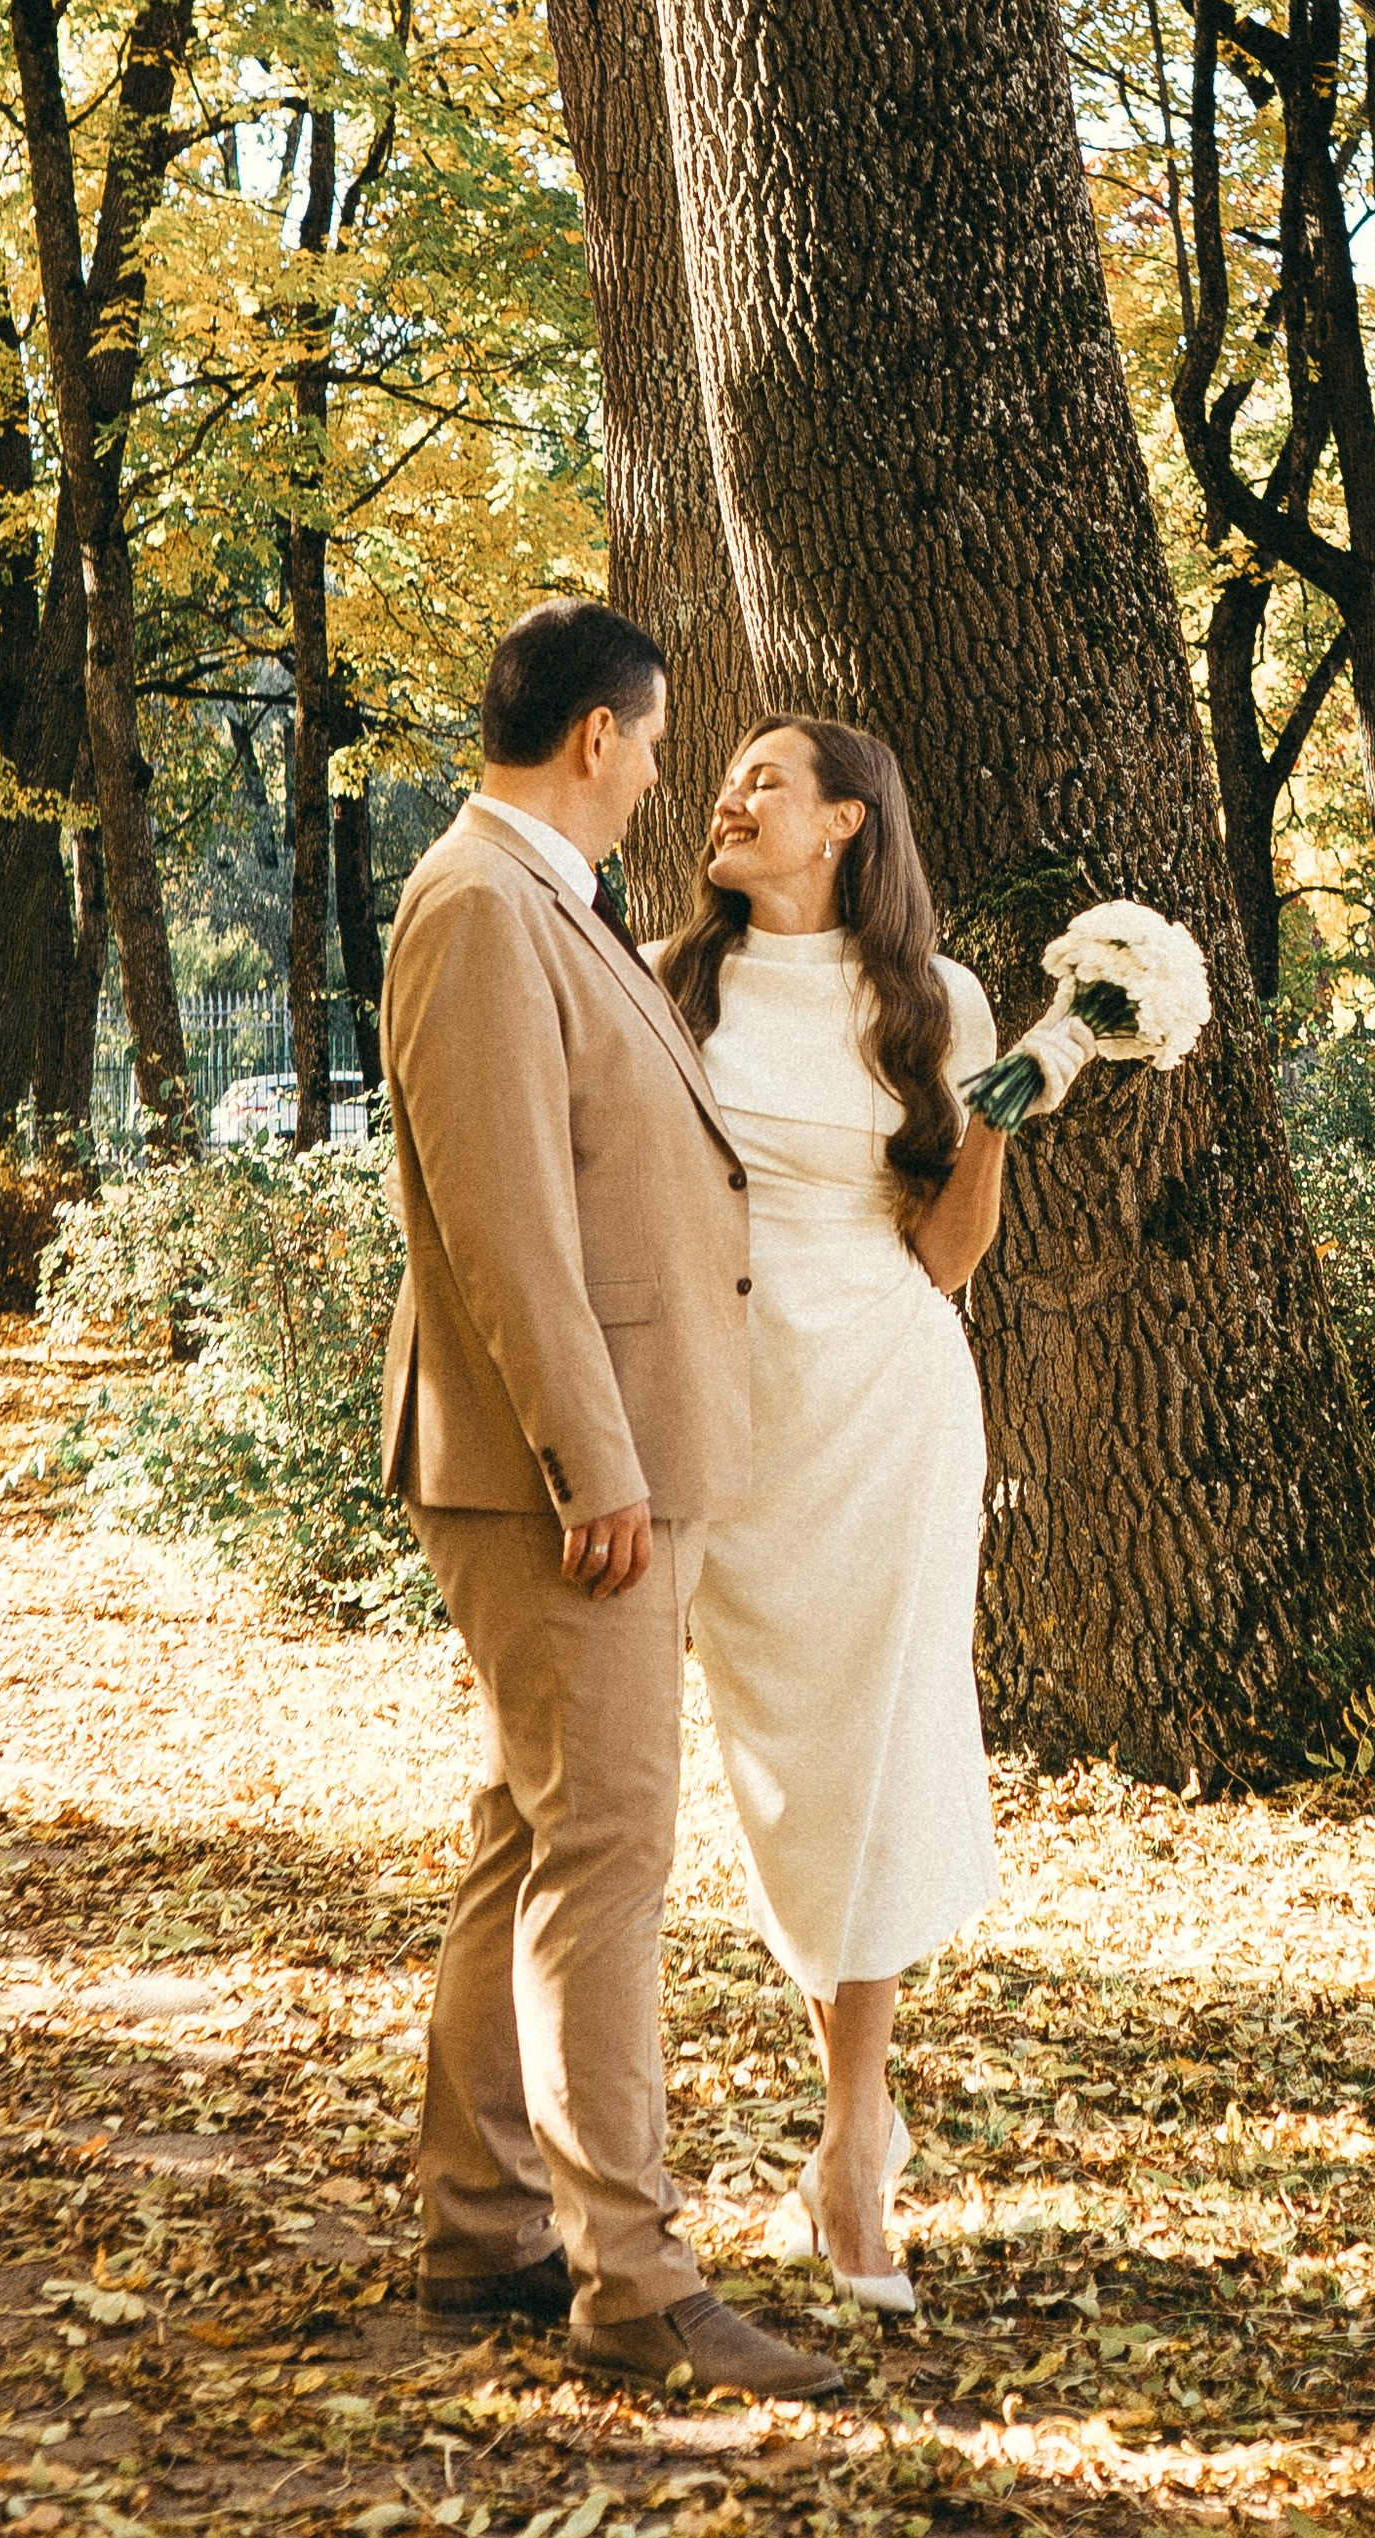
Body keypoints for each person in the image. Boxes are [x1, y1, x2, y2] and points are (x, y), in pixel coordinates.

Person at [380, 600, 842, 2402]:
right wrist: (596, 1465)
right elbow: (504, 1222)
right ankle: (632, 2279)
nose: (662, 773)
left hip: (597, 1460)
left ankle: (480, 2221)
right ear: (597, 737)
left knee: (533, 1835)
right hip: (562, 1477)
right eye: (655, 742)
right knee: (609, 1857)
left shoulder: (541, 907)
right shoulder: (484, 910)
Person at [656, 717, 1092, 2314]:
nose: (731, 794)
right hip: (724, 1401)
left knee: (879, 1743)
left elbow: (950, 1256)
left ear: (847, 818)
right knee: (770, 1763)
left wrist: (1005, 1109)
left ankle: (853, 2139)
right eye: (725, 777)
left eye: (768, 779)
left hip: (889, 1398)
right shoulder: (665, 980)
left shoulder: (935, 1002)